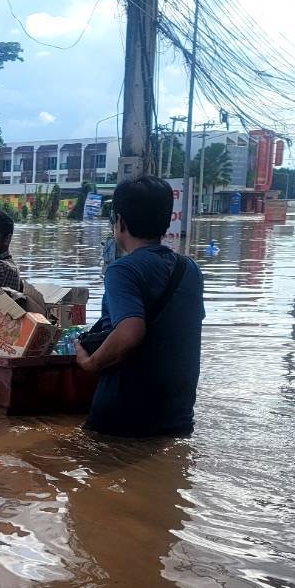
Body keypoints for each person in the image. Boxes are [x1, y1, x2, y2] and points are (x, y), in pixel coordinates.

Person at [75, 174, 204, 438]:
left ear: (119, 221)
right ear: (167, 219)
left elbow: (129, 332)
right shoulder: (190, 268)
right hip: (176, 415)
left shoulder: (122, 270)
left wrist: (90, 363)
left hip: (123, 416)